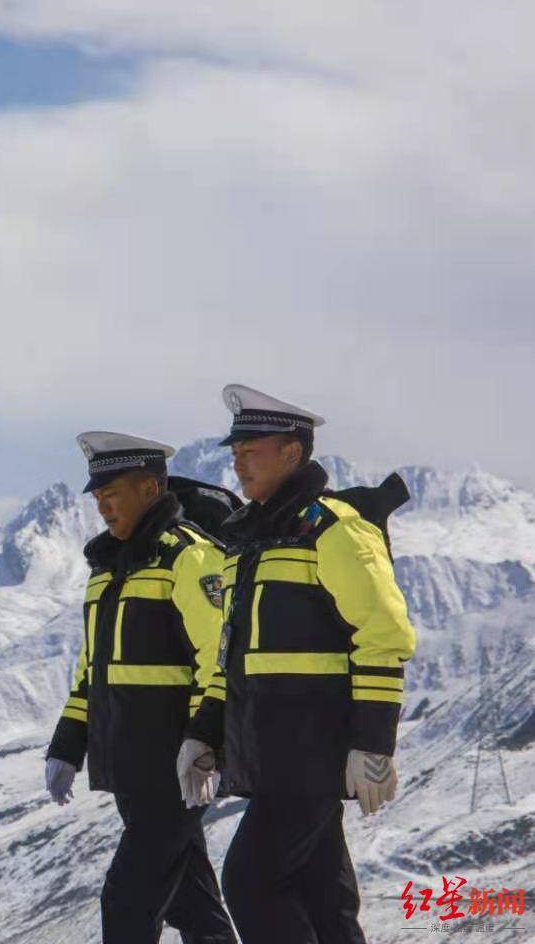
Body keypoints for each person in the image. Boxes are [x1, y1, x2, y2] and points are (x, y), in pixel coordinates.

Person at [178, 385, 418, 943]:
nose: (236, 460)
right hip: (269, 753)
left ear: (292, 453)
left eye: (250, 448)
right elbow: (235, 657)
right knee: (323, 900)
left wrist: (374, 744)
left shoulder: (335, 530)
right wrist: (204, 733)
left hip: (311, 752)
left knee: (251, 882)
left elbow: (384, 636)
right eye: (234, 450)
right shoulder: (250, 543)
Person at [45, 431, 239, 944]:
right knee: (192, 907)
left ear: (151, 489)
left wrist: (204, 745)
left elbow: (219, 658)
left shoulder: (188, 558)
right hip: (129, 769)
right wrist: (68, 745)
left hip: (173, 771)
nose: (104, 507)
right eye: (98, 497)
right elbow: (95, 670)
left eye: (114, 494)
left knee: (128, 899)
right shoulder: (107, 570)